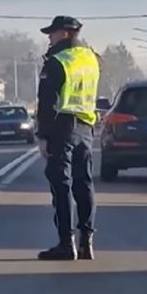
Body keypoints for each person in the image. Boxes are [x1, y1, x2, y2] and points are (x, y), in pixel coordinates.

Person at [35, 16, 101, 261]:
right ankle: (86, 241)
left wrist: (43, 137)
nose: (49, 38)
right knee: (83, 183)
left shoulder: (57, 61)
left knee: (60, 184)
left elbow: (47, 104)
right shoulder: (91, 58)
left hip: (62, 127)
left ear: (64, 33)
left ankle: (66, 243)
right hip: (86, 126)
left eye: (51, 33)